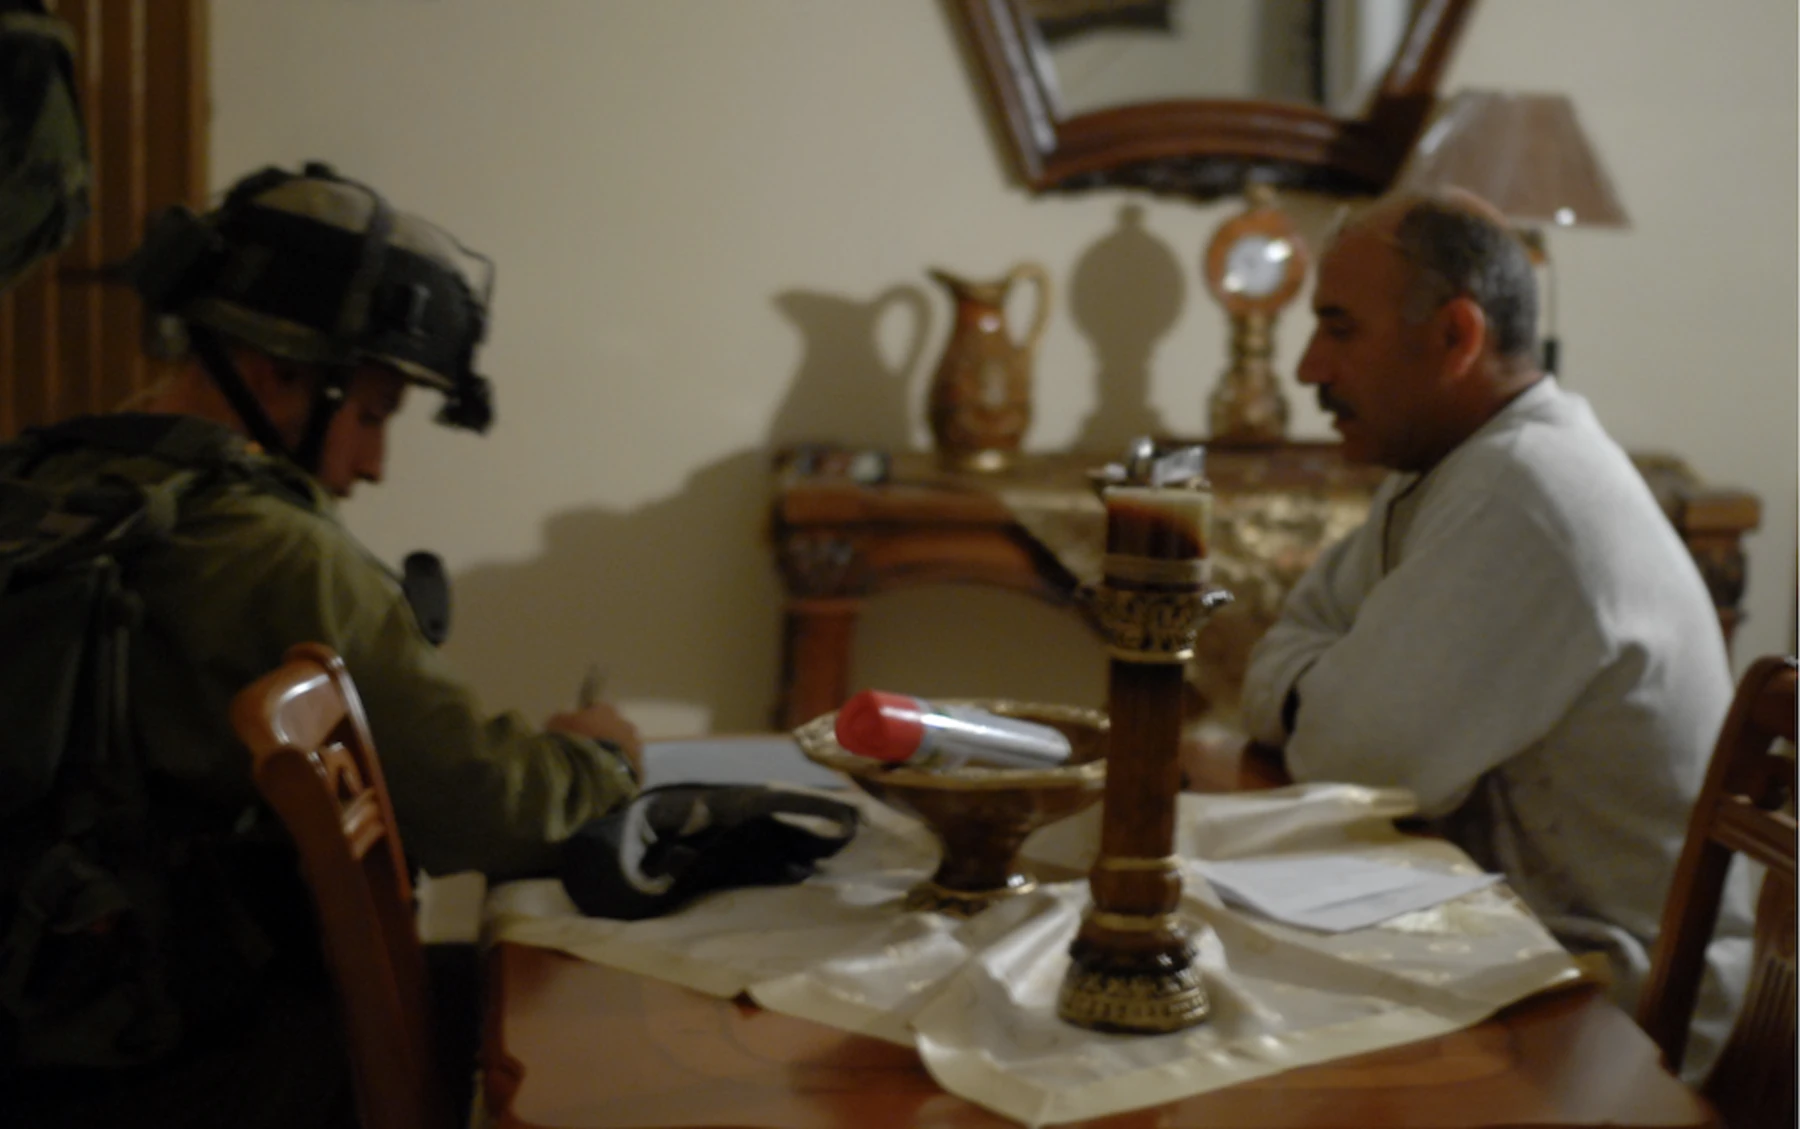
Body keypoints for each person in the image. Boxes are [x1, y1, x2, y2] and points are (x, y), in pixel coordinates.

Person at [1, 163, 641, 1126]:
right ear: (277, 373)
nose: (374, 464)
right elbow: (483, 806)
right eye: (372, 414)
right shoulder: (275, 549)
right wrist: (598, 759)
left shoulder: (44, 476)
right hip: (208, 1067)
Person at [1239, 190, 1749, 1076]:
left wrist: (1319, 690)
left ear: (1455, 336)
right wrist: (1324, 683)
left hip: (1614, 1017)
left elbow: (1350, 762)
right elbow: (1278, 657)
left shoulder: (1525, 491)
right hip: (1505, 946)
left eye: (1339, 328)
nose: (1310, 366)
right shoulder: (1455, 466)